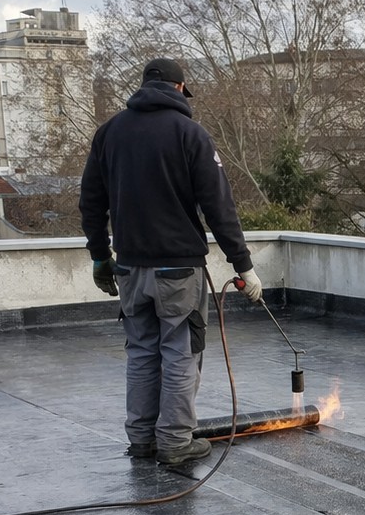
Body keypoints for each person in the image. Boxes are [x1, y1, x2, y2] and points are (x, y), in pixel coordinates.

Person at [80, 57, 263, 464]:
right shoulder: (189, 134)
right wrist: (243, 265)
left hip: (128, 268)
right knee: (181, 352)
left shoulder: (109, 133)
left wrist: (99, 257)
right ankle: (176, 442)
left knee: (142, 352)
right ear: (180, 89)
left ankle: (142, 438)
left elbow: (91, 204)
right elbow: (219, 207)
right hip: (178, 270)